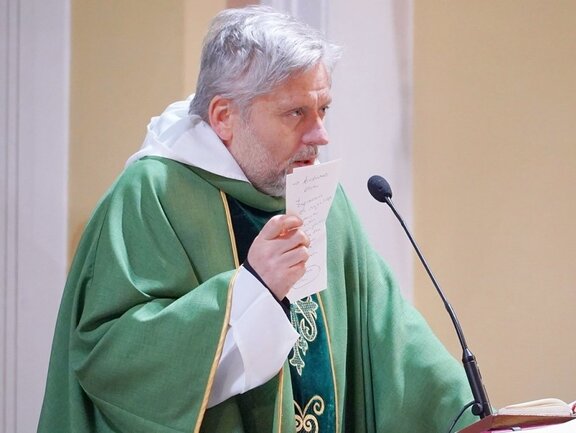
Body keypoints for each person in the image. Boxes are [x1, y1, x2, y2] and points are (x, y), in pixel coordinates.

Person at [38, 6, 478, 433]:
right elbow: (112, 357)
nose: (320, 135)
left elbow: (391, 335)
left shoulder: (319, 197)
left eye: (322, 109)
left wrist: (473, 420)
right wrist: (252, 288)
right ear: (224, 117)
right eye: (295, 113)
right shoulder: (152, 193)